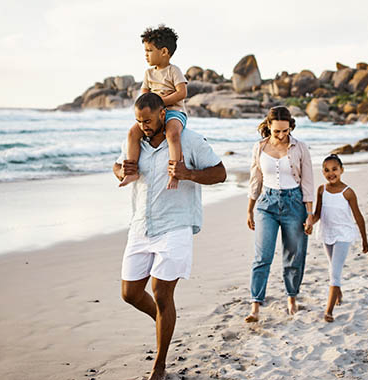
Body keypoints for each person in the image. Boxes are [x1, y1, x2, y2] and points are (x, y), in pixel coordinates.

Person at [113, 92, 226, 380]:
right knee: (130, 294)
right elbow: (118, 165)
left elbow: (220, 173)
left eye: (148, 120)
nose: (143, 125)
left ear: (163, 114)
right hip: (141, 226)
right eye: (138, 120)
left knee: (162, 293)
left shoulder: (188, 140)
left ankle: (159, 366)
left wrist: (188, 174)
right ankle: (164, 319)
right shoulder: (136, 140)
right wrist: (120, 169)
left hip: (175, 227)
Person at [245, 106, 314, 322]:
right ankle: (255, 305)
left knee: (294, 254)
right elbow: (255, 179)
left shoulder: (300, 148)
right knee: (262, 256)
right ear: (269, 127)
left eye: (286, 131)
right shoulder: (259, 147)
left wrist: (310, 213)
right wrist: (250, 208)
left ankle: (291, 297)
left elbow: (308, 182)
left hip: (294, 203)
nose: (282, 135)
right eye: (277, 131)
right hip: (266, 204)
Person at [119, 24, 188, 190]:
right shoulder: (148, 73)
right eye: (145, 51)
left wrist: (160, 102)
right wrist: (146, 104)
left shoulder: (174, 71)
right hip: (154, 114)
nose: (146, 55)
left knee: (172, 134)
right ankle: (132, 171)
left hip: (174, 112)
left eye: (149, 50)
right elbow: (144, 93)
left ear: (164, 52)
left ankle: (174, 174)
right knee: (132, 132)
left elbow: (182, 93)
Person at [305, 154, 368, 322]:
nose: (330, 173)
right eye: (326, 170)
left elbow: (358, 216)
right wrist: (310, 222)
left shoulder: (348, 193)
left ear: (342, 170)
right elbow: (318, 214)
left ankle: (329, 311)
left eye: (334, 169)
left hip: (343, 234)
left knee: (335, 272)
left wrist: (364, 239)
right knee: (332, 267)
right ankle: (338, 290)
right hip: (327, 232)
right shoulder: (321, 190)